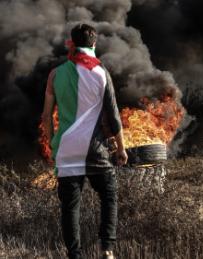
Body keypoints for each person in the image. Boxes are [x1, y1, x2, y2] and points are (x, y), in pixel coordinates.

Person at [42, 23, 128, 259]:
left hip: (67, 151)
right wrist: (121, 148)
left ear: (72, 43)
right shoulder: (101, 72)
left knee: (70, 207)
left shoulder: (55, 74)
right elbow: (113, 115)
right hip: (95, 150)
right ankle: (107, 250)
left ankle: (75, 255)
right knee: (109, 196)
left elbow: (46, 116)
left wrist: (53, 144)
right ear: (93, 43)